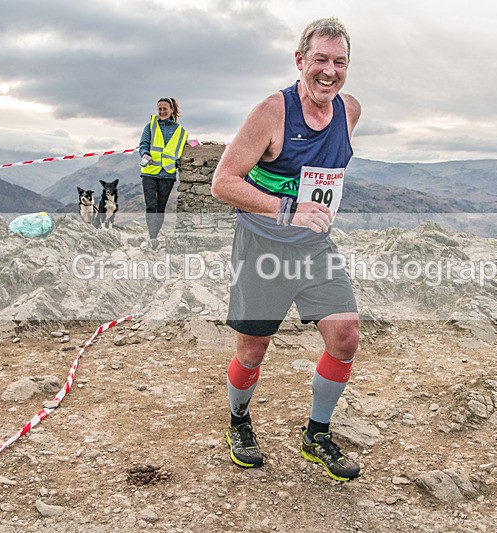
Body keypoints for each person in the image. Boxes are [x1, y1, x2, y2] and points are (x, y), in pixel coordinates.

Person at [211, 17, 362, 482]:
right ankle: (238, 421)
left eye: (340, 62)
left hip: (315, 248)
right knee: (253, 350)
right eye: (320, 59)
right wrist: (287, 209)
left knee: (345, 336)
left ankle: (316, 435)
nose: (329, 71)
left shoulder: (350, 111)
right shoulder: (272, 112)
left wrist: (312, 211)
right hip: (263, 246)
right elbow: (222, 183)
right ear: (300, 60)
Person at [139, 97, 188, 250]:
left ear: (171, 110)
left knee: (160, 207)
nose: (161, 112)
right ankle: (152, 237)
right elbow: (143, 144)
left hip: (167, 174)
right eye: (159, 109)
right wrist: (145, 154)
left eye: (164, 109)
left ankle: (154, 235)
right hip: (149, 172)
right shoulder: (150, 126)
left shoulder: (180, 132)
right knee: (151, 205)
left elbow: (180, 152)